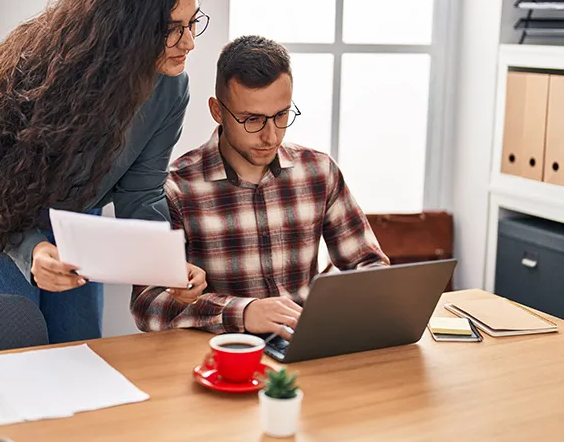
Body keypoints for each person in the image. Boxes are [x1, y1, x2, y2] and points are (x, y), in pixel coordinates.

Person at [0, 0, 207, 344]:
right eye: (172, 29)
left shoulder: (171, 90)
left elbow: (141, 195)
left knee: (80, 355)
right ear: (128, 25)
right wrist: (33, 250)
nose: (189, 42)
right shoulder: (41, 70)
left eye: (193, 22)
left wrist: (166, 267)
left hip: (71, 225)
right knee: (15, 363)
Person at [131, 36, 389, 340]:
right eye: (252, 120)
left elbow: (369, 266)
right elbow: (148, 304)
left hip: (305, 345)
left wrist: (342, 303)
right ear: (217, 111)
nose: (270, 136)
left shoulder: (319, 171)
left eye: (281, 116)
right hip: (223, 355)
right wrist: (242, 312)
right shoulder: (176, 187)